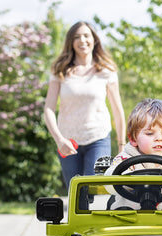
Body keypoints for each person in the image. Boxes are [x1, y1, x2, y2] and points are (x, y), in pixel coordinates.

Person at [44, 21, 126, 190]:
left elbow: (118, 110)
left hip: (98, 138)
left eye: (86, 36)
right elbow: (48, 109)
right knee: (75, 193)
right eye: (77, 37)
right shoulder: (60, 70)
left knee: (91, 190)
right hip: (68, 140)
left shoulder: (106, 70)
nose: (82, 40)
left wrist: (122, 145)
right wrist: (59, 140)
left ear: (94, 40)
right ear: (71, 42)